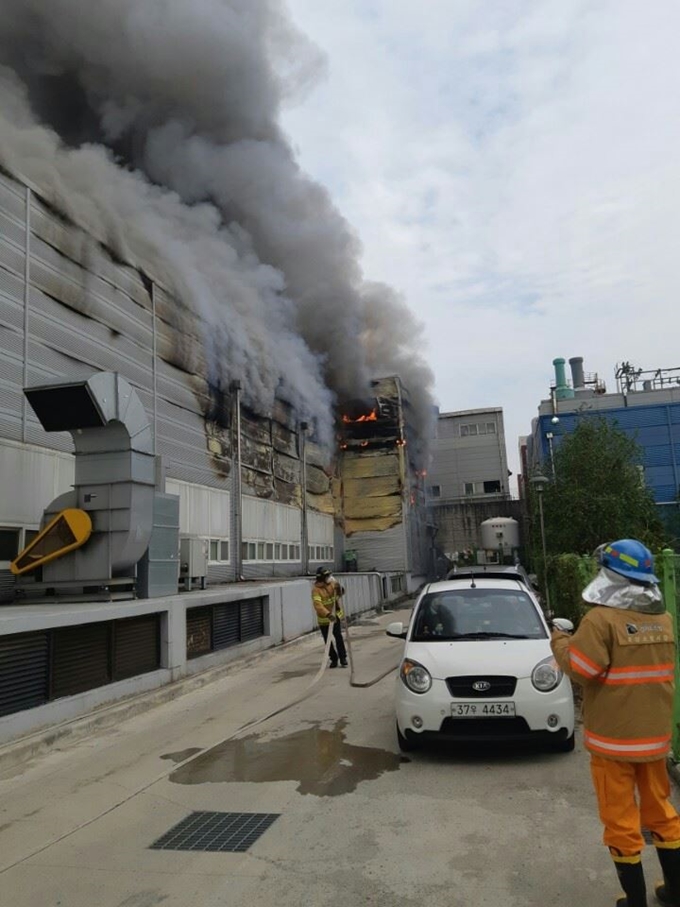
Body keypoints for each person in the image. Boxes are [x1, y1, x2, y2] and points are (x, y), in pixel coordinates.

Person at [551, 539, 680, 907]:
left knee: (621, 819)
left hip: (614, 743)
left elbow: (582, 670)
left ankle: (635, 902)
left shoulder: (600, 620)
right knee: (662, 812)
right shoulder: (663, 619)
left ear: (610, 574)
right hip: (654, 740)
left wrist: (559, 640)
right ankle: (675, 892)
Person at [311, 566, 348, 668]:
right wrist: (327, 614)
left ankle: (343, 658)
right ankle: (334, 659)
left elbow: (340, 594)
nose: (330, 577)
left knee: (338, 637)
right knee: (328, 641)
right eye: (327, 576)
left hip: (335, 617)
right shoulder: (316, 590)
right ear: (322, 578)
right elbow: (318, 605)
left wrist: (340, 588)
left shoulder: (332, 584)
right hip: (325, 619)